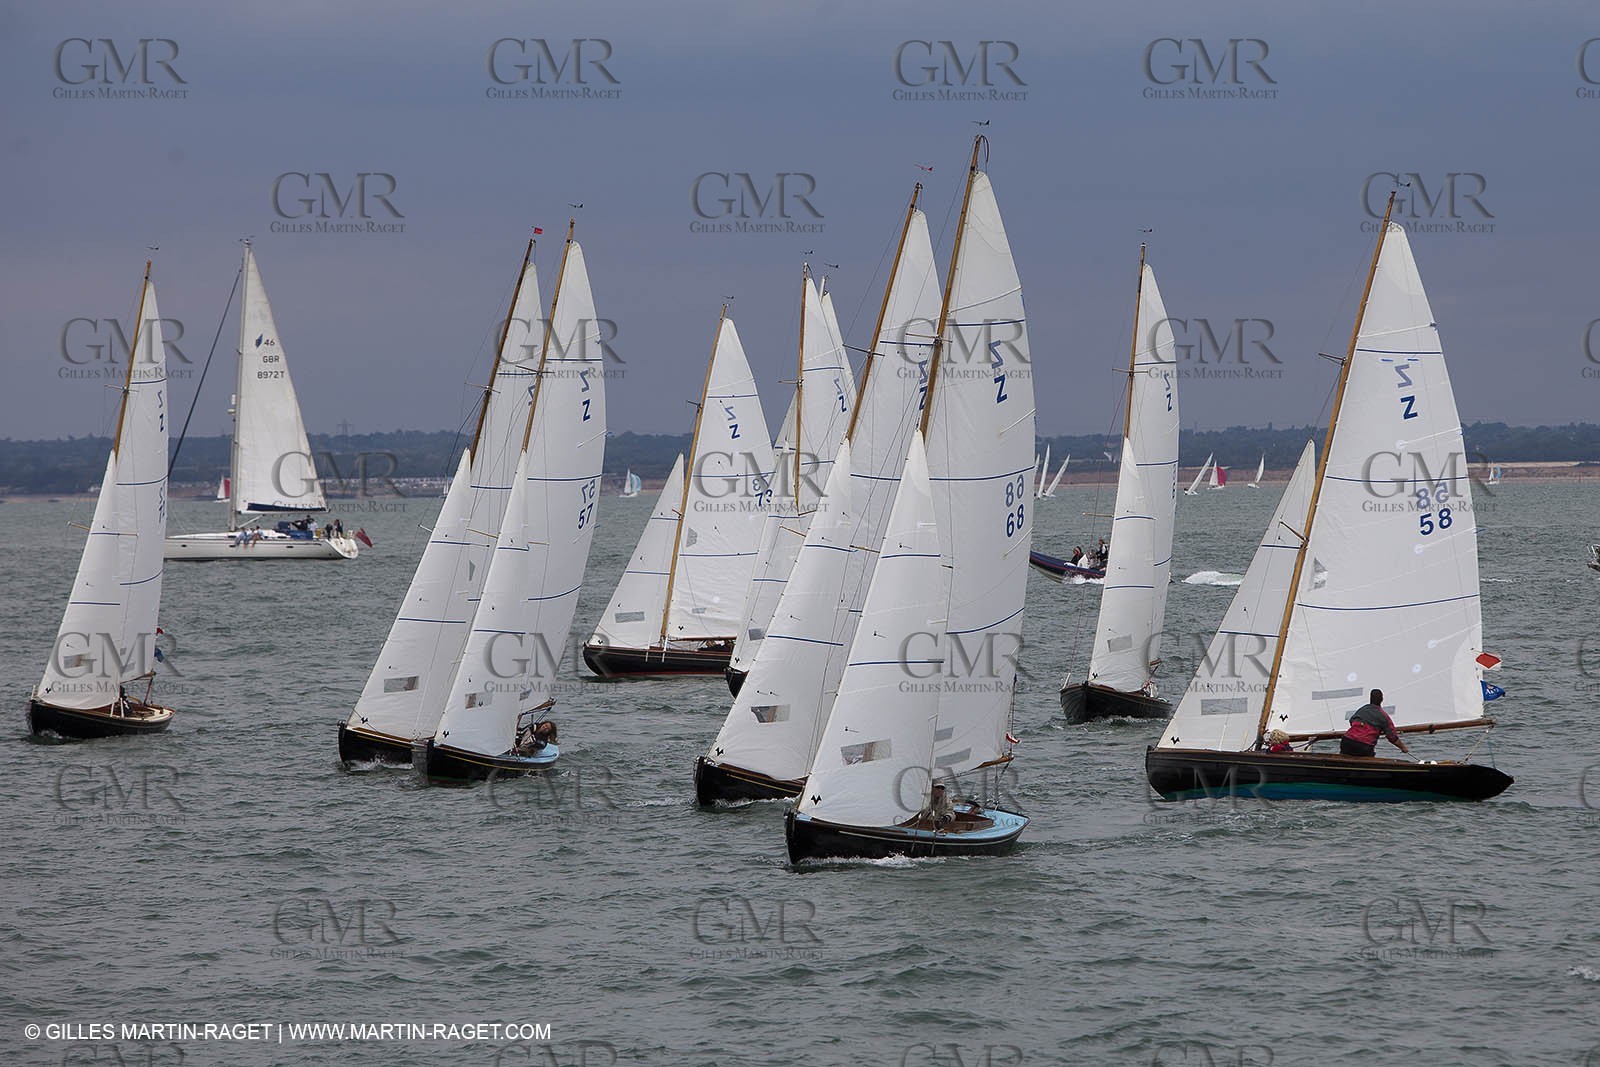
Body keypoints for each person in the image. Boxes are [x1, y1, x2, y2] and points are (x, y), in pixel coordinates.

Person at [1341, 689, 1409, 757]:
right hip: (1364, 746)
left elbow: (1352, 721)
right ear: (1382, 699)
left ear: (1370, 698)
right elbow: (1392, 737)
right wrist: (1403, 748)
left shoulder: (1362, 709)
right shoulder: (1383, 716)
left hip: (1347, 741)